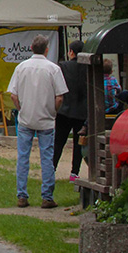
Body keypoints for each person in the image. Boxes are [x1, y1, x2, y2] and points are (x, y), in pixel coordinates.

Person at [7, 35, 67, 208]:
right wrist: (53, 111)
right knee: (47, 157)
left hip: (26, 117)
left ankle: (22, 195)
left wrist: (20, 108)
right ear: (46, 49)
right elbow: (60, 97)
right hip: (46, 119)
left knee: (23, 157)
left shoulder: (21, 68)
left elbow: (13, 94)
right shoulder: (53, 69)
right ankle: (47, 196)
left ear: (31, 48)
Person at [53, 40, 87, 181]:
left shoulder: (63, 66)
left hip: (64, 110)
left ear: (71, 52)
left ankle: (52, 168)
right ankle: (74, 172)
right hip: (81, 111)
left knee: (59, 141)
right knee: (78, 143)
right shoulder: (88, 68)